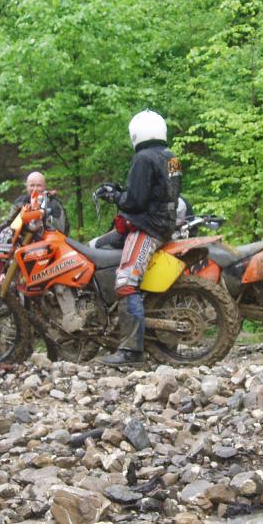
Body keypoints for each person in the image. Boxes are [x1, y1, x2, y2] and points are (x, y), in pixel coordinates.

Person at [95, 110, 182, 367]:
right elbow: (155, 193)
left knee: (126, 283)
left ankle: (131, 352)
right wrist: (122, 193)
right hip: (165, 225)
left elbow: (134, 202)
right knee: (100, 245)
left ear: (136, 132)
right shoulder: (171, 157)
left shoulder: (143, 158)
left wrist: (114, 196)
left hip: (147, 228)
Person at [0, 171, 68, 243]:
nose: (35, 189)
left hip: (49, 244)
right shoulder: (21, 202)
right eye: (32, 185)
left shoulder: (54, 203)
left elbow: (62, 229)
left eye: (39, 185)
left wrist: (43, 217)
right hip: (24, 243)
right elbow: (8, 222)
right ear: (26, 186)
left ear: (45, 187)